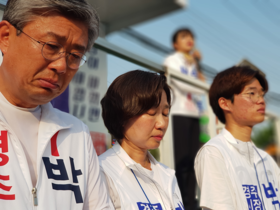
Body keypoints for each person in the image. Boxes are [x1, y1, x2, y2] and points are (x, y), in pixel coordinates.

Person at [0, 0, 112, 209]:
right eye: (51, 46)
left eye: (75, 56)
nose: (61, 66)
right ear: (6, 37)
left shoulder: (77, 133)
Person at [194, 66, 280, 210]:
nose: (261, 101)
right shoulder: (215, 153)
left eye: (262, 95)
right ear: (225, 103)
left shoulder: (267, 160)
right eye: (251, 93)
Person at [99, 70, 185, 210]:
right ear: (122, 114)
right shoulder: (102, 172)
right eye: (151, 113)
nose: (162, 124)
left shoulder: (167, 174)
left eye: (165, 113)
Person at [164, 28, 206, 209]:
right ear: (175, 44)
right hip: (179, 113)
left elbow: (202, 85)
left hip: (193, 114)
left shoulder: (192, 63)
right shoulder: (172, 60)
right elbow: (185, 85)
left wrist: (196, 63)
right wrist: (199, 86)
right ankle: (181, 202)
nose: (189, 39)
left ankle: (191, 203)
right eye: (184, 36)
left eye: (191, 36)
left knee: (193, 162)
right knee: (181, 161)